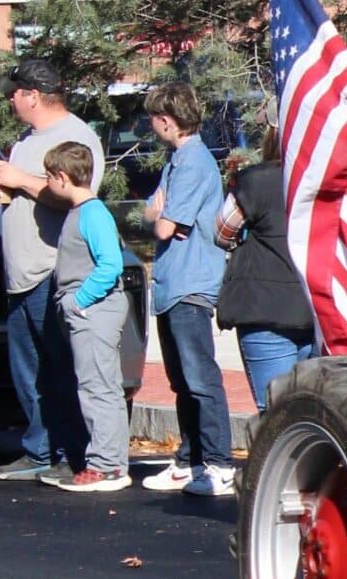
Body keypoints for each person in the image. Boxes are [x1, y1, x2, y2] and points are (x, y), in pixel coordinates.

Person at [0, 57, 104, 483]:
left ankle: (72, 454)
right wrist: (6, 193)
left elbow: (77, 196)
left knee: (59, 368)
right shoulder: (26, 140)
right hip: (20, 274)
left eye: (15, 94)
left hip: (51, 271)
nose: (10, 101)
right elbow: (31, 192)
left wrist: (20, 180)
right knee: (29, 371)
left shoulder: (76, 137)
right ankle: (39, 450)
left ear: (33, 96)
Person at [138, 82, 236, 497]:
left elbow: (163, 225)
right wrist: (158, 216)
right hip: (170, 283)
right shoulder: (176, 162)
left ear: (166, 119)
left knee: (200, 379)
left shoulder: (194, 162)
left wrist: (161, 217)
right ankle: (189, 460)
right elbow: (151, 214)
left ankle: (218, 463)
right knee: (181, 381)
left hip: (190, 285)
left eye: (153, 118)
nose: (152, 125)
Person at [36, 142, 133, 494]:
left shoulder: (92, 214)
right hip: (90, 311)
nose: (48, 183)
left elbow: (111, 265)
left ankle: (105, 466)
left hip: (94, 311)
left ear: (63, 177)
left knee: (97, 388)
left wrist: (79, 301)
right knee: (101, 385)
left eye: (49, 176)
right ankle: (111, 462)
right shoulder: (83, 212)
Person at [216, 129, 315, 406]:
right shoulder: (323, 179)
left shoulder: (254, 181)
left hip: (265, 311)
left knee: (275, 414)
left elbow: (222, 232)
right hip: (316, 307)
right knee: (316, 412)